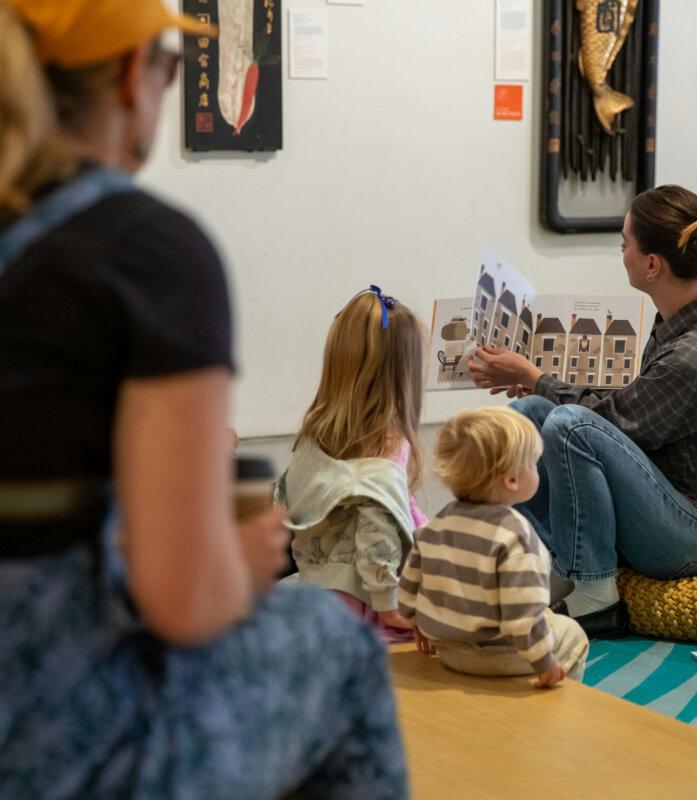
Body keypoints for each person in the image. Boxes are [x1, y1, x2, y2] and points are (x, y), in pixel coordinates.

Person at [0, 2, 407, 798]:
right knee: (339, 648)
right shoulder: (147, 253)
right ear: (129, 77)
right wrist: (246, 559)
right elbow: (184, 600)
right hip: (51, 736)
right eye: (172, 66)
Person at [468, 186, 697, 637]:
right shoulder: (693, 312)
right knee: (527, 412)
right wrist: (533, 383)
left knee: (567, 424)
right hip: (670, 495)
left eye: (626, 243)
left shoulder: (696, 354)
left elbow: (616, 421)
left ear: (652, 263)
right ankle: (555, 568)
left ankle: (595, 596)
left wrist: (537, 376)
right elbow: (636, 407)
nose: (620, 251)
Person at [277, 287, 427, 642]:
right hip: (369, 612)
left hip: (319, 601)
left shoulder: (314, 434)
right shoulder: (388, 445)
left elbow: (285, 500)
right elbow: (379, 533)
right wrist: (390, 605)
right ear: (403, 373)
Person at [398, 407, 588, 684]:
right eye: (534, 464)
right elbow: (521, 615)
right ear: (512, 480)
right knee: (572, 633)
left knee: (543, 616)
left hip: (449, 650)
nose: (538, 470)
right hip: (499, 656)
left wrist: (418, 625)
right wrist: (545, 662)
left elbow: (408, 588)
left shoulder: (435, 524)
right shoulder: (515, 535)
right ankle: (549, 704)